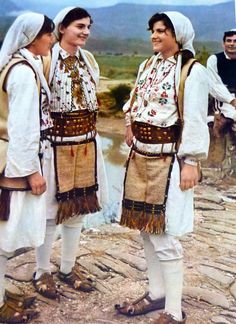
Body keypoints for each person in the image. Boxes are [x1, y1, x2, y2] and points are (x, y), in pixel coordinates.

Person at [114, 11, 210, 324]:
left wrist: (191, 162)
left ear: (178, 34)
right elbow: (133, 100)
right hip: (141, 156)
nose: (155, 36)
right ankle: (156, 293)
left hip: (168, 160)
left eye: (162, 31)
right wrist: (130, 123)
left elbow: (194, 118)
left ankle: (174, 309)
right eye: (153, 30)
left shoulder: (190, 71)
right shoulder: (147, 64)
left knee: (165, 234)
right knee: (145, 229)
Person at [33, 7, 108, 299]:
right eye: (79, 26)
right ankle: (41, 271)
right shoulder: (47, 61)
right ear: (62, 28)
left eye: (88, 26)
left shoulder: (89, 60)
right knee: (50, 212)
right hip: (56, 146)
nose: (85, 31)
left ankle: (67, 267)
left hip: (87, 144)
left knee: (79, 210)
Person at [0, 12, 54, 322]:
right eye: (47, 34)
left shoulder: (22, 65)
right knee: (4, 235)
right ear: (32, 37)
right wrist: (31, 171)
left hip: (13, 158)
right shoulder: (22, 72)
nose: (51, 39)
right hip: (15, 164)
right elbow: (21, 128)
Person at [207, 29, 236, 175]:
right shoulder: (215, 59)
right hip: (223, 99)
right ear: (223, 43)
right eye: (229, 41)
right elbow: (214, 85)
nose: (232, 44)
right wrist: (231, 100)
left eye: (235, 41)